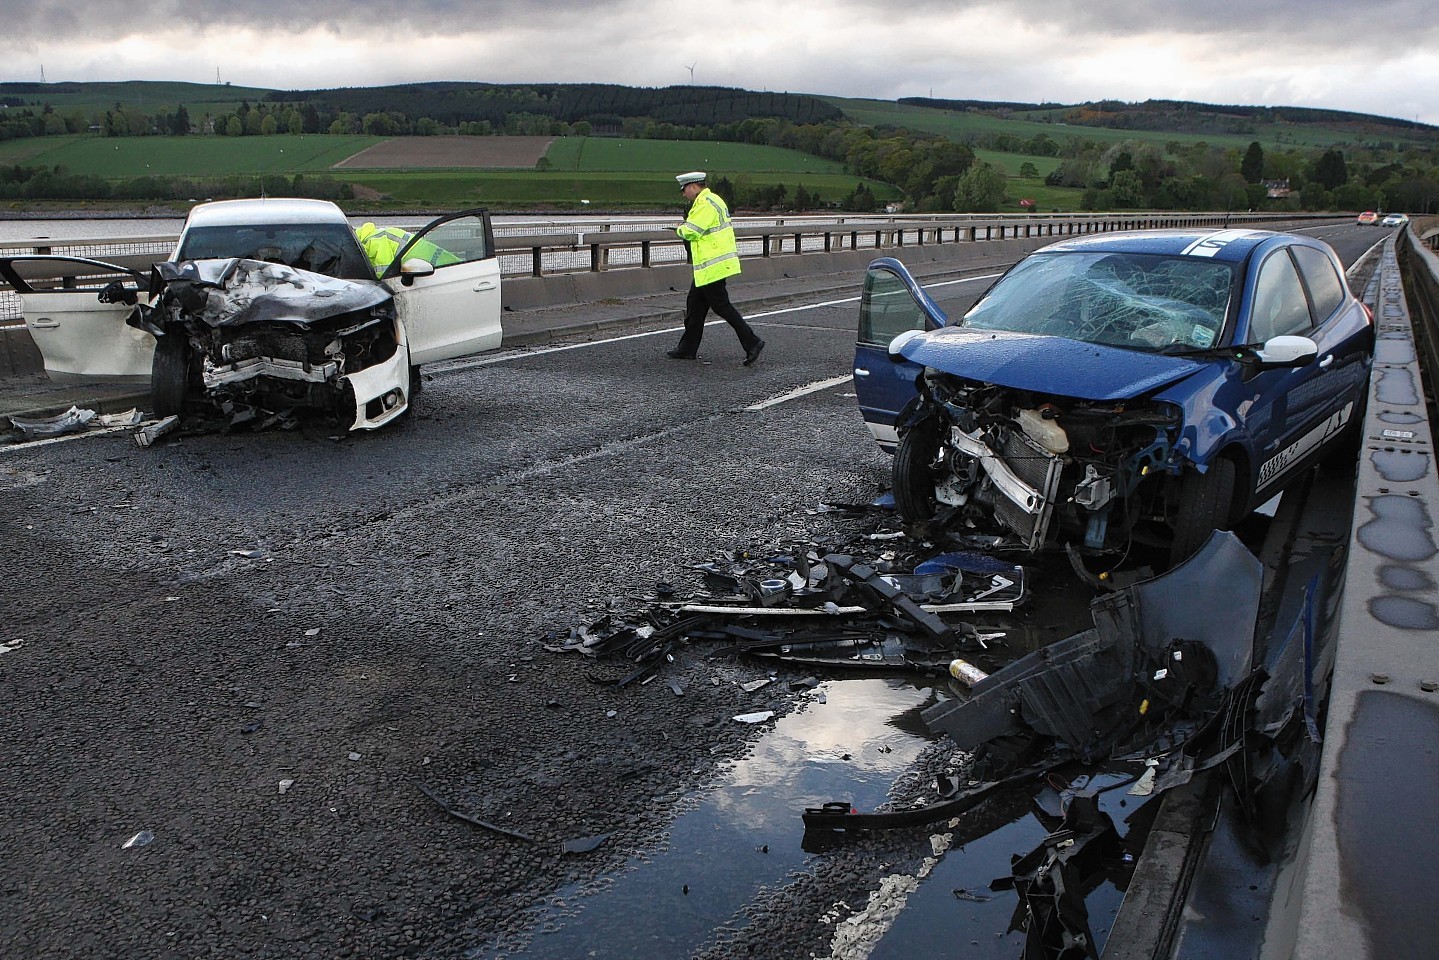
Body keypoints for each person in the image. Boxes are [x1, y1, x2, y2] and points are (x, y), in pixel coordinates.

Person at [667, 171, 765, 365]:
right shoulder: (714, 200)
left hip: (712, 266)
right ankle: (687, 348)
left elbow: (692, 231)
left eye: (684, 189)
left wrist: (678, 228)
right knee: (695, 306)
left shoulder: (704, 204)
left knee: (722, 307)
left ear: (694, 187)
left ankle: (752, 342)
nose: (683, 194)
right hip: (709, 266)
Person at [355, 222, 461, 279]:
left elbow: (385, 276)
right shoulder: (375, 236)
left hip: (444, 270)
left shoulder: (374, 242)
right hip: (446, 266)